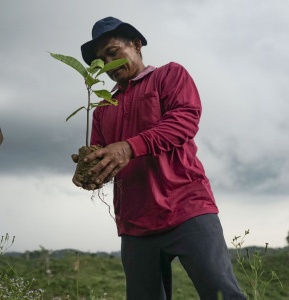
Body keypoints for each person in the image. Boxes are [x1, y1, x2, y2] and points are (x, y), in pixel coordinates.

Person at [72, 16, 246, 300]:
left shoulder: (169, 75)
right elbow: (106, 158)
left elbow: (184, 121)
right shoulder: (102, 109)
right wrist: (90, 170)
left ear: (136, 45)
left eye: (113, 53)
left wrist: (128, 147)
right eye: (101, 61)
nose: (108, 65)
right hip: (135, 223)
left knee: (221, 292)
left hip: (187, 208)